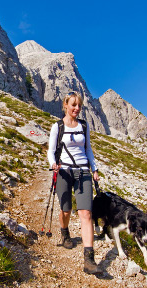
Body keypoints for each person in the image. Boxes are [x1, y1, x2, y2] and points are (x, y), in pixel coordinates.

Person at [47, 91, 103, 275]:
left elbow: (88, 149)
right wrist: (53, 163)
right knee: (66, 210)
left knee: (86, 213)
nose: (77, 109)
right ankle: (64, 233)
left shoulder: (84, 126)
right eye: (73, 105)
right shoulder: (57, 126)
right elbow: (50, 150)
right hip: (63, 171)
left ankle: (89, 259)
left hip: (83, 171)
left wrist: (94, 169)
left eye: (79, 105)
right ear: (65, 105)